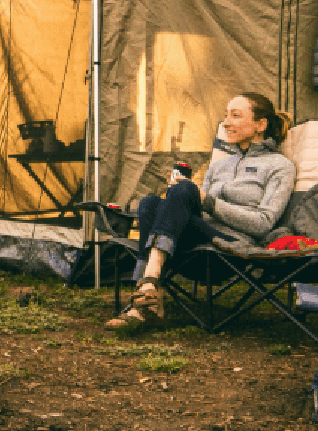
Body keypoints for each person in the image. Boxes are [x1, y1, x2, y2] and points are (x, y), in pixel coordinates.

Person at [107, 92, 296, 328]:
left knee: (184, 190)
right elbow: (197, 211)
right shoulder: (219, 166)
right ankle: (150, 293)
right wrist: (178, 198)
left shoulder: (281, 167)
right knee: (150, 203)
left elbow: (264, 223)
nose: (225, 123)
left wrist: (206, 200)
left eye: (235, 116)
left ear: (261, 125)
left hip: (230, 250)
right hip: (194, 245)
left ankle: (147, 288)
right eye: (226, 115)